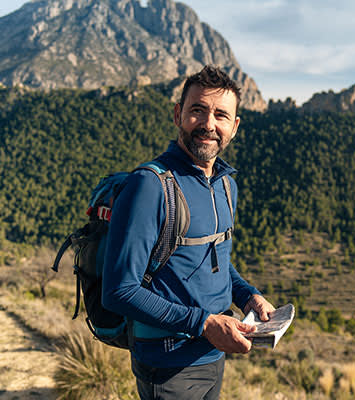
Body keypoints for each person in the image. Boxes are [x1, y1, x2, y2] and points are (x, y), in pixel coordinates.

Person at [102, 65, 275, 400]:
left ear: (234, 127)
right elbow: (119, 290)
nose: (209, 124)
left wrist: (247, 296)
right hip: (167, 366)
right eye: (198, 110)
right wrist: (206, 324)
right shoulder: (150, 186)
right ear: (178, 114)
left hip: (212, 357)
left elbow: (214, 260)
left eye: (221, 115)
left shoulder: (226, 186)